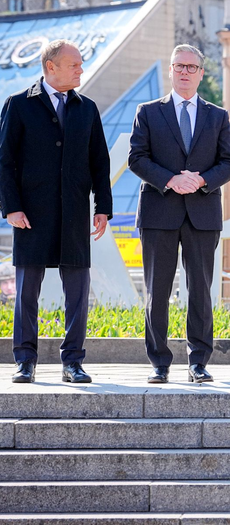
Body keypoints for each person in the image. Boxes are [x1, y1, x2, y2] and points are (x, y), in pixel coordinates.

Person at [0, 39, 112, 384]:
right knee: (26, 291)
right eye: (74, 64)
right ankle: (25, 361)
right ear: (52, 67)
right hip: (30, 214)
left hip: (75, 212)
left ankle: (73, 362)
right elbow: (4, 161)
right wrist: (11, 209)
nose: (81, 69)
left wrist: (103, 208)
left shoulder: (87, 108)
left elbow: (100, 162)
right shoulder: (18, 105)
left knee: (78, 290)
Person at [129, 44, 230, 384]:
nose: (185, 72)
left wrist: (201, 180)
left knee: (201, 290)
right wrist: (171, 180)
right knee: (157, 291)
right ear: (171, 70)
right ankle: (159, 362)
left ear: (202, 73)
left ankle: (199, 362)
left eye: (192, 67)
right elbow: (137, 158)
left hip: (203, 213)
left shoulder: (217, 116)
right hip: (159, 212)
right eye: (180, 66)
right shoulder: (148, 111)